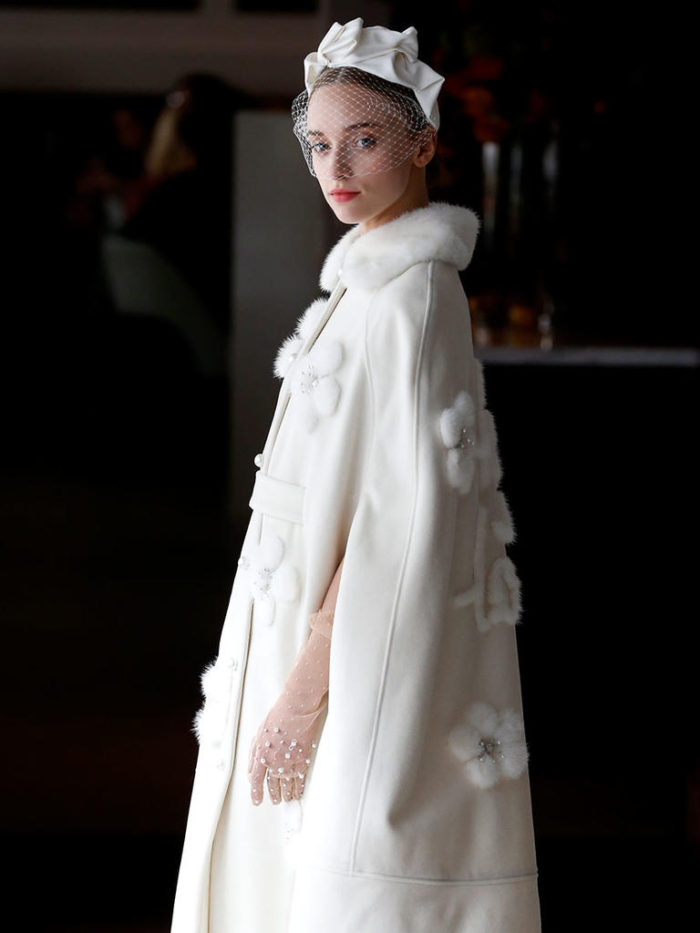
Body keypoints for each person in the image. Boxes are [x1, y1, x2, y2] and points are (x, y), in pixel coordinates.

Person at [170, 18, 540, 933]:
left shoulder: (413, 294)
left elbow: (402, 523)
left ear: (423, 144)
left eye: (364, 140)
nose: (335, 166)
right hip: (297, 616)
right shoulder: (368, 284)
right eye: (320, 143)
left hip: (340, 644)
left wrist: (305, 692)